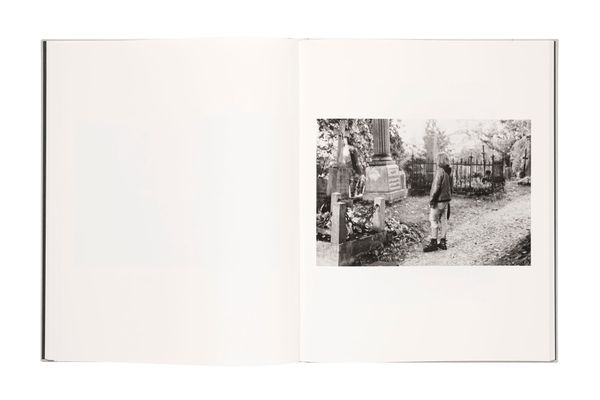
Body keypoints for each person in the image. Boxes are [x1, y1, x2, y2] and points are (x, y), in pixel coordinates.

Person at [423, 152, 453, 252]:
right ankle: (443, 242)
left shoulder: (440, 171)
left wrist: (432, 200)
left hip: (438, 200)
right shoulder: (449, 171)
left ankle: (433, 242)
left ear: (439, 160)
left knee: (433, 219)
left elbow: (436, 187)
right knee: (444, 220)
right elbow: (451, 187)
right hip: (446, 201)